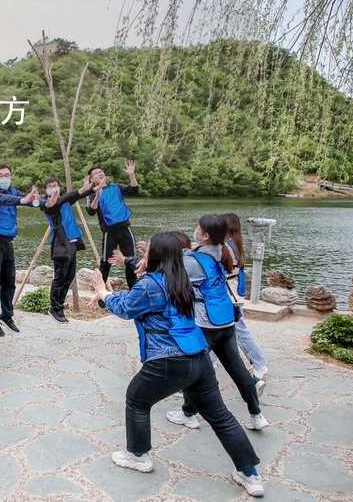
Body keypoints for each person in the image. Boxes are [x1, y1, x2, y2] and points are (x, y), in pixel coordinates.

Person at [91, 232, 264, 497]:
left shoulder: (151, 284)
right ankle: (250, 474)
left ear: (157, 255)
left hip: (168, 359)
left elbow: (126, 307)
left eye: (148, 250)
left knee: (137, 400)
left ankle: (138, 455)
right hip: (199, 356)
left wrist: (103, 292)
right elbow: (142, 297)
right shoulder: (183, 278)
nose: (144, 253)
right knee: (220, 416)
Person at [167, 215, 269, 432]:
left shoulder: (194, 262)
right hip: (225, 321)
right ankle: (256, 414)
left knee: (196, 370)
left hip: (206, 323)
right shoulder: (221, 252)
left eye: (198, 228)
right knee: (238, 369)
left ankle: (188, 414)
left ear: (204, 235)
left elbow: (172, 275)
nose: (194, 230)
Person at [0, 164, 39, 336]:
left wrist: (40, 200)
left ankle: (7, 315)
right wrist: (21, 200)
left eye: (7, 175)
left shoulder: (12, 190)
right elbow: (5, 200)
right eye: (0, 175)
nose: (4, 178)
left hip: (7, 243)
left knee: (9, 281)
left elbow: (29, 200)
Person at [40, 176, 94, 322]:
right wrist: (80, 189)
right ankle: (54, 308)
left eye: (55, 185)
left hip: (72, 241)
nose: (53, 187)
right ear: (45, 190)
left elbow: (79, 195)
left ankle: (59, 305)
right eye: (50, 185)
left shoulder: (65, 200)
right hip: (60, 243)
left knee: (69, 276)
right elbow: (61, 200)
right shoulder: (46, 203)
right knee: (60, 277)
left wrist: (92, 187)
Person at [221, 212, 268, 380]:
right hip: (232, 296)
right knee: (224, 334)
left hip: (229, 297)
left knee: (241, 332)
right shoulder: (235, 244)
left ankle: (259, 364)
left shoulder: (226, 247)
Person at [86, 161, 140, 288]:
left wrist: (131, 175)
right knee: (105, 263)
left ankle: (134, 292)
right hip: (109, 232)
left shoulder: (116, 187)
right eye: (96, 173)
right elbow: (91, 211)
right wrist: (98, 193)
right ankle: (100, 293)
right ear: (91, 178)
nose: (99, 174)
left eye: (101, 172)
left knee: (130, 260)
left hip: (125, 228)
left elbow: (134, 190)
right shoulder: (91, 193)